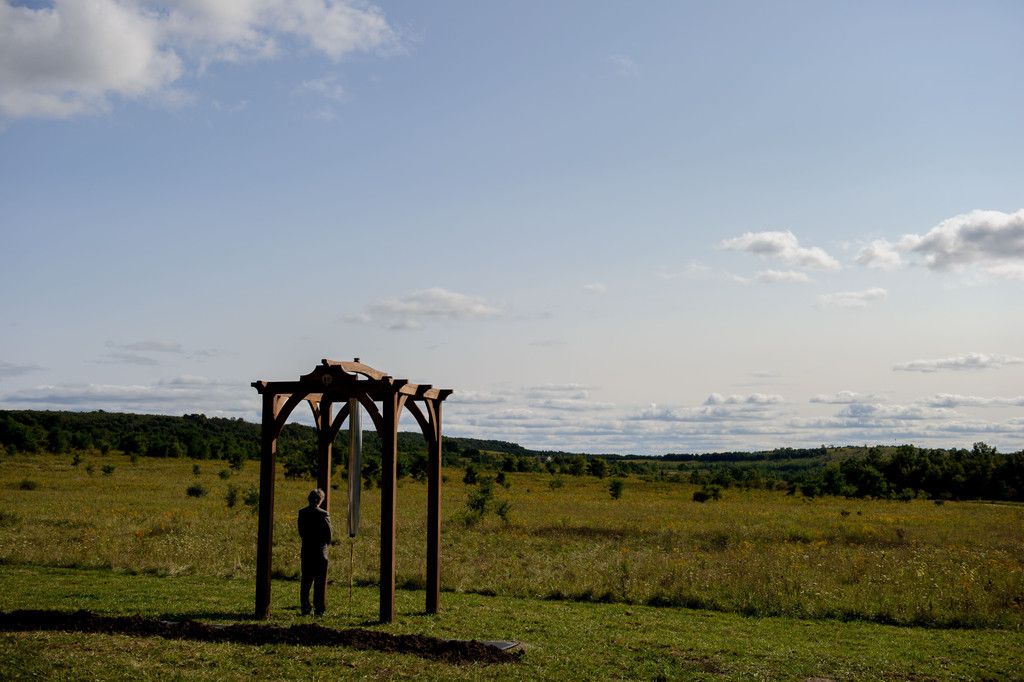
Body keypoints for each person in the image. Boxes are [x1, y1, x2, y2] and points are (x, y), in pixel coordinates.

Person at [297, 488, 332, 616]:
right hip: (320, 551)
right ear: (320, 500)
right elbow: (329, 534)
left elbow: (301, 531)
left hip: (307, 549)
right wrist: (325, 544)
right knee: (320, 582)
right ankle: (319, 609)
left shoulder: (302, 512)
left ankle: (305, 608)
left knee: (306, 581)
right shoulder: (323, 514)